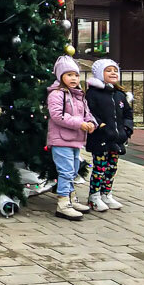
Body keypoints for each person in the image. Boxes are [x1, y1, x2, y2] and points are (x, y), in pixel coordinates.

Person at [46, 55, 98, 220]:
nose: (74, 78)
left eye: (76, 75)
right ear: (61, 76)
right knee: (66, 171)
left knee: (74, 170)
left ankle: (71, 197)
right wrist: (79, 123)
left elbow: (86, 113)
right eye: (69, 75)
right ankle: (63, 203)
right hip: (61, 140)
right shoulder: (57, 94)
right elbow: (57, 115)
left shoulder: (78, 95)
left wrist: (90, 123)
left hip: (75, 140)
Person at [85, 58, 134, 212]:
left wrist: (127, 129)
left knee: (112, 167)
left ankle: (107, 193)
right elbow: (89, 112)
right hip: (101, 138)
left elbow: (128, 113)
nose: (113, 73)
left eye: (115, 70)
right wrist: (101, 126)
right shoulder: (93, 93)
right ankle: (94, 196)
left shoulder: (119, 95)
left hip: (117, 138)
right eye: (108, 70)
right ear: (100, 74)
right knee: (99, 167)